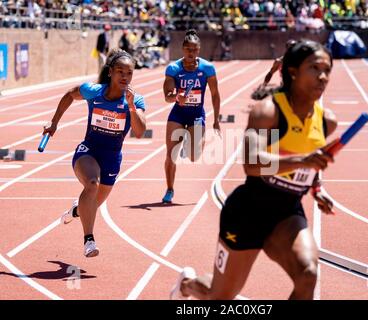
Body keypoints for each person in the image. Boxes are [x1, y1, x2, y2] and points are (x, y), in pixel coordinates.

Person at [170, 40, 338, 300]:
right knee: (220, 296)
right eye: (314, 68)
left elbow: (311, 158)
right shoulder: (268, 111)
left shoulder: (327, 121)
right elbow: (251, 162)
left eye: (327, 69)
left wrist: (317, 188)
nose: (323, 76)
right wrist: (302, 161)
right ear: (293, 71)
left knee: (308, 274)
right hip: (248, 213)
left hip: (287, 213)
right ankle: (187, 284)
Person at [43, 49, 147, 257]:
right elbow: (69, 95)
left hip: (112, 158)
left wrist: (131, 107)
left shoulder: (135, 101)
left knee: (91, 205)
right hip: (88, 151)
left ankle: (75, 211)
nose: (124, 77)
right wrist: (54, 123)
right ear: (110, 72)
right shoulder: (93, 91)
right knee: (91, 184)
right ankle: (88, 241)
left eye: (129, 73)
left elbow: (140, 132)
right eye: (120, 72)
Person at [162, 29, 221, 204]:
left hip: (196, 114)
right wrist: (176, 97)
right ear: (183, 49)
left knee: (194, 156)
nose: (191, 53)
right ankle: (170, 189)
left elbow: (215, 94)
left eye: (195, 50)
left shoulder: (207, 68)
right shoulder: (173, 68)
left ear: (199, 50)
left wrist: (216, 120)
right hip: (178, 114)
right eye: (188, 49)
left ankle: (189, 141)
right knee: (170, 154)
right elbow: (167, 95)